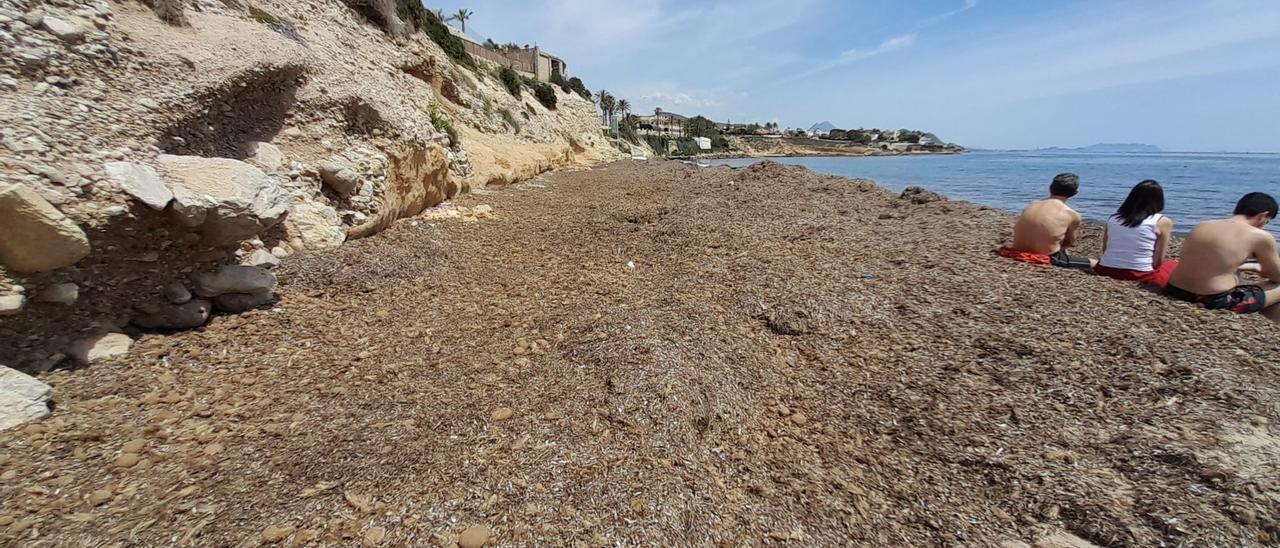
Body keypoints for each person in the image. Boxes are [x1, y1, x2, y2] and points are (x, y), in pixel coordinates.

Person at [1164, 192, 1280, 323]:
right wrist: (1256, 268)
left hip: (1174, 289)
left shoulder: (1203, 224)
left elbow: (1211, 262)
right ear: (1263, 216)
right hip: (1212, 299)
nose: (1264, 225)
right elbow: (1276, 276)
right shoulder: (1260, 236)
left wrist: (1249, 266)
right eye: (1267, 221)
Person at [999, 172, 1095, 269]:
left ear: (1050, 188)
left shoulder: (1032, 204)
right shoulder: (1072, 214)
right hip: (1046, 257)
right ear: (1075, 193)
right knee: (1096, 264)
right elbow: (1069, 243)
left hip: (1016, 251)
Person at [1094, 180, 1177, 286]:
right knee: (1173, 265)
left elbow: (1105, 248)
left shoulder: (1113, 218)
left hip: (1105, 269)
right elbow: (1158, 261)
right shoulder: (1162, 221)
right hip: (1140, 274)